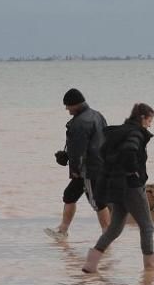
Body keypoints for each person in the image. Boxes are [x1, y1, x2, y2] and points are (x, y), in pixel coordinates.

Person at [83, 103, 154, 273]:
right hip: (131, 187)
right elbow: (129, 152)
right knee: (147, 227)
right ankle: (150, 269)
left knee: (115, 228)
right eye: (150, 120)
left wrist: (119, 173)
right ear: (142, 118)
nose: (150, 124)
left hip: (117, 186)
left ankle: (90, 264)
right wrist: (133, 173)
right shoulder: (135, 133)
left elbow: (102, 152)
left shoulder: (119, 132)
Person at [46, 88, 110, 239]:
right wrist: (66, 155)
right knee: (69, 196)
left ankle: (108, 233)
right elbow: (102, 138)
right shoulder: (97, 115)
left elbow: (79, 150)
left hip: (88, 169)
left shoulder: (81, 122)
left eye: (68, 105)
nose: (66, 109)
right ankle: (62, 230)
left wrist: (74, 168)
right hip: (98, 164)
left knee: (97, 202)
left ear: (76, 104)